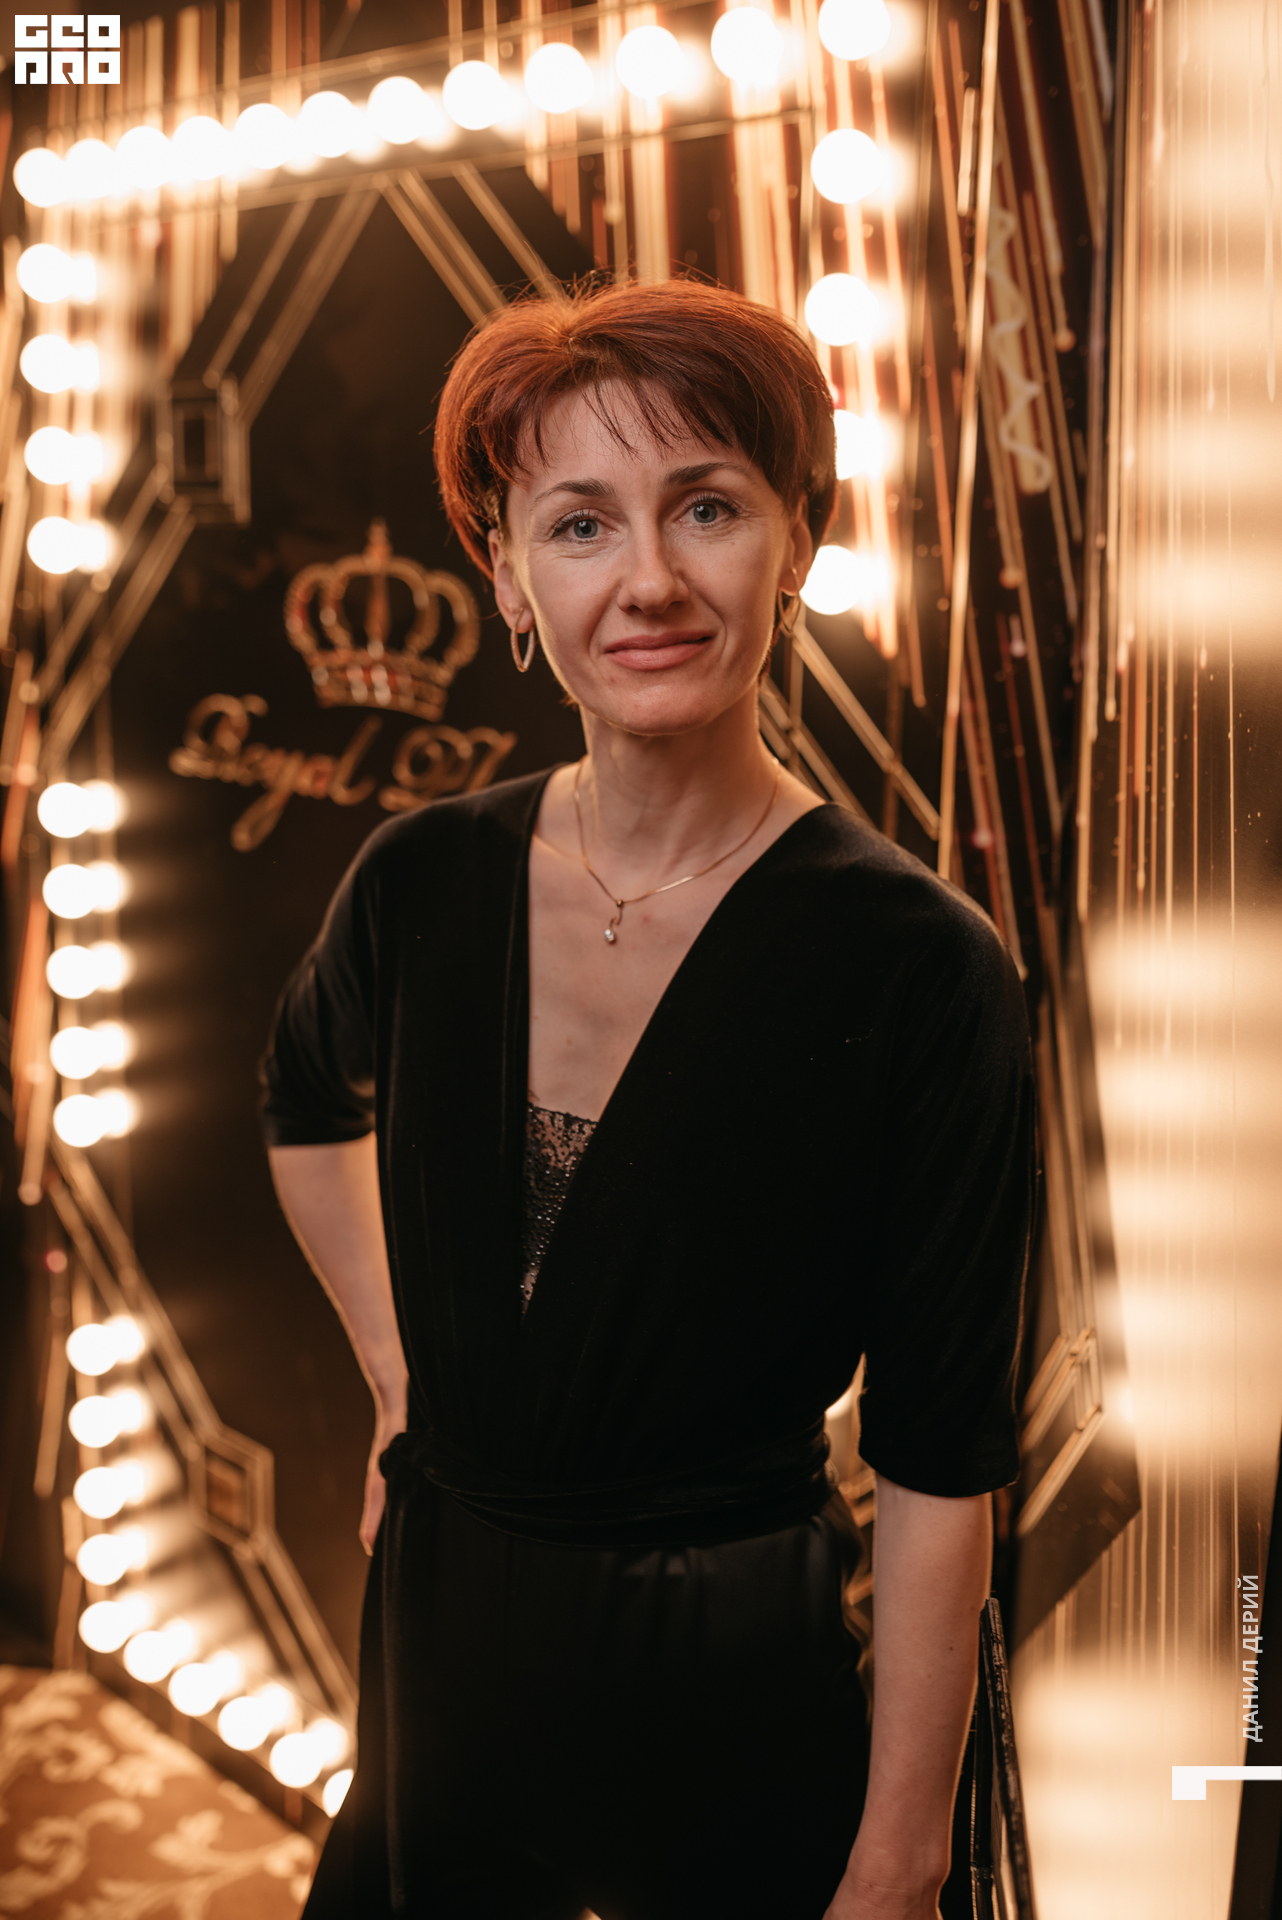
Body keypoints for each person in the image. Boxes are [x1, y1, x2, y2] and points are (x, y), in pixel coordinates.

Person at [261, 278, 1034, 1920]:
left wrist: (896, 1864)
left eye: (706, 507)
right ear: (508, 578)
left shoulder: (917, 964)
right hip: (440, 1631)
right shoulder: (420, 875)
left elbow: (937, 1456)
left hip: (727, 1671)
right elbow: (304, 1098)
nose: (649, 581)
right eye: (578, 524)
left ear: (797, 540)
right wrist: (399, 1378)